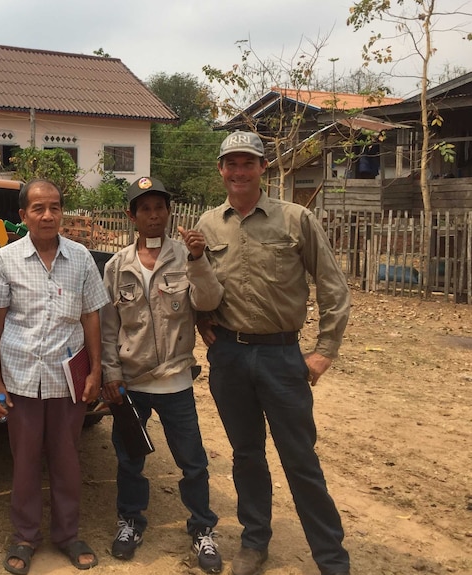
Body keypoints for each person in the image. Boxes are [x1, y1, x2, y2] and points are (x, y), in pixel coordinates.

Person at [196, 131, 352, 575]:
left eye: (248, 163)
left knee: (300, 458)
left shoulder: (296, 219)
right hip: (230, 357)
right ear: (221, 171)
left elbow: (334, 287)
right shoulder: (208, 226)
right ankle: (254, 542)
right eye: (232, 164)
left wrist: (324, 351)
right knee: (246, 455)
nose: (239, 171)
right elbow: (198, 284)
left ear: (263, 168)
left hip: (283, 357)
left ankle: (331, 558)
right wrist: (201, 323)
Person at [99, 176, 224, 573]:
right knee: (130, 460)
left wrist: (200, 260)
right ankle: (130, 523)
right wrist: (111, 373)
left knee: (193, 462)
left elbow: (209, 300)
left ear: (169, 212)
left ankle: (203, 528)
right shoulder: (117, 266)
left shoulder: (186, 256)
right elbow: (108, 326)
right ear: (132, 216)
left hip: (175, 381)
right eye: (145, 209)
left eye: (160, 207)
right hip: (132, 384)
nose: (154, 216)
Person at [0, 178, 109, 574]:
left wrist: (95, 369)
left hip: (67, 379)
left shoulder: (82, 258)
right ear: (23, 216)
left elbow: (92, 316)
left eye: (54, 207)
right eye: (38, 208)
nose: (48, 215)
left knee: (66, 458)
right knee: (24, 461)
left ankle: (68, 534)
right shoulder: (6, 259)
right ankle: (24, 536)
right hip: (21, 377)